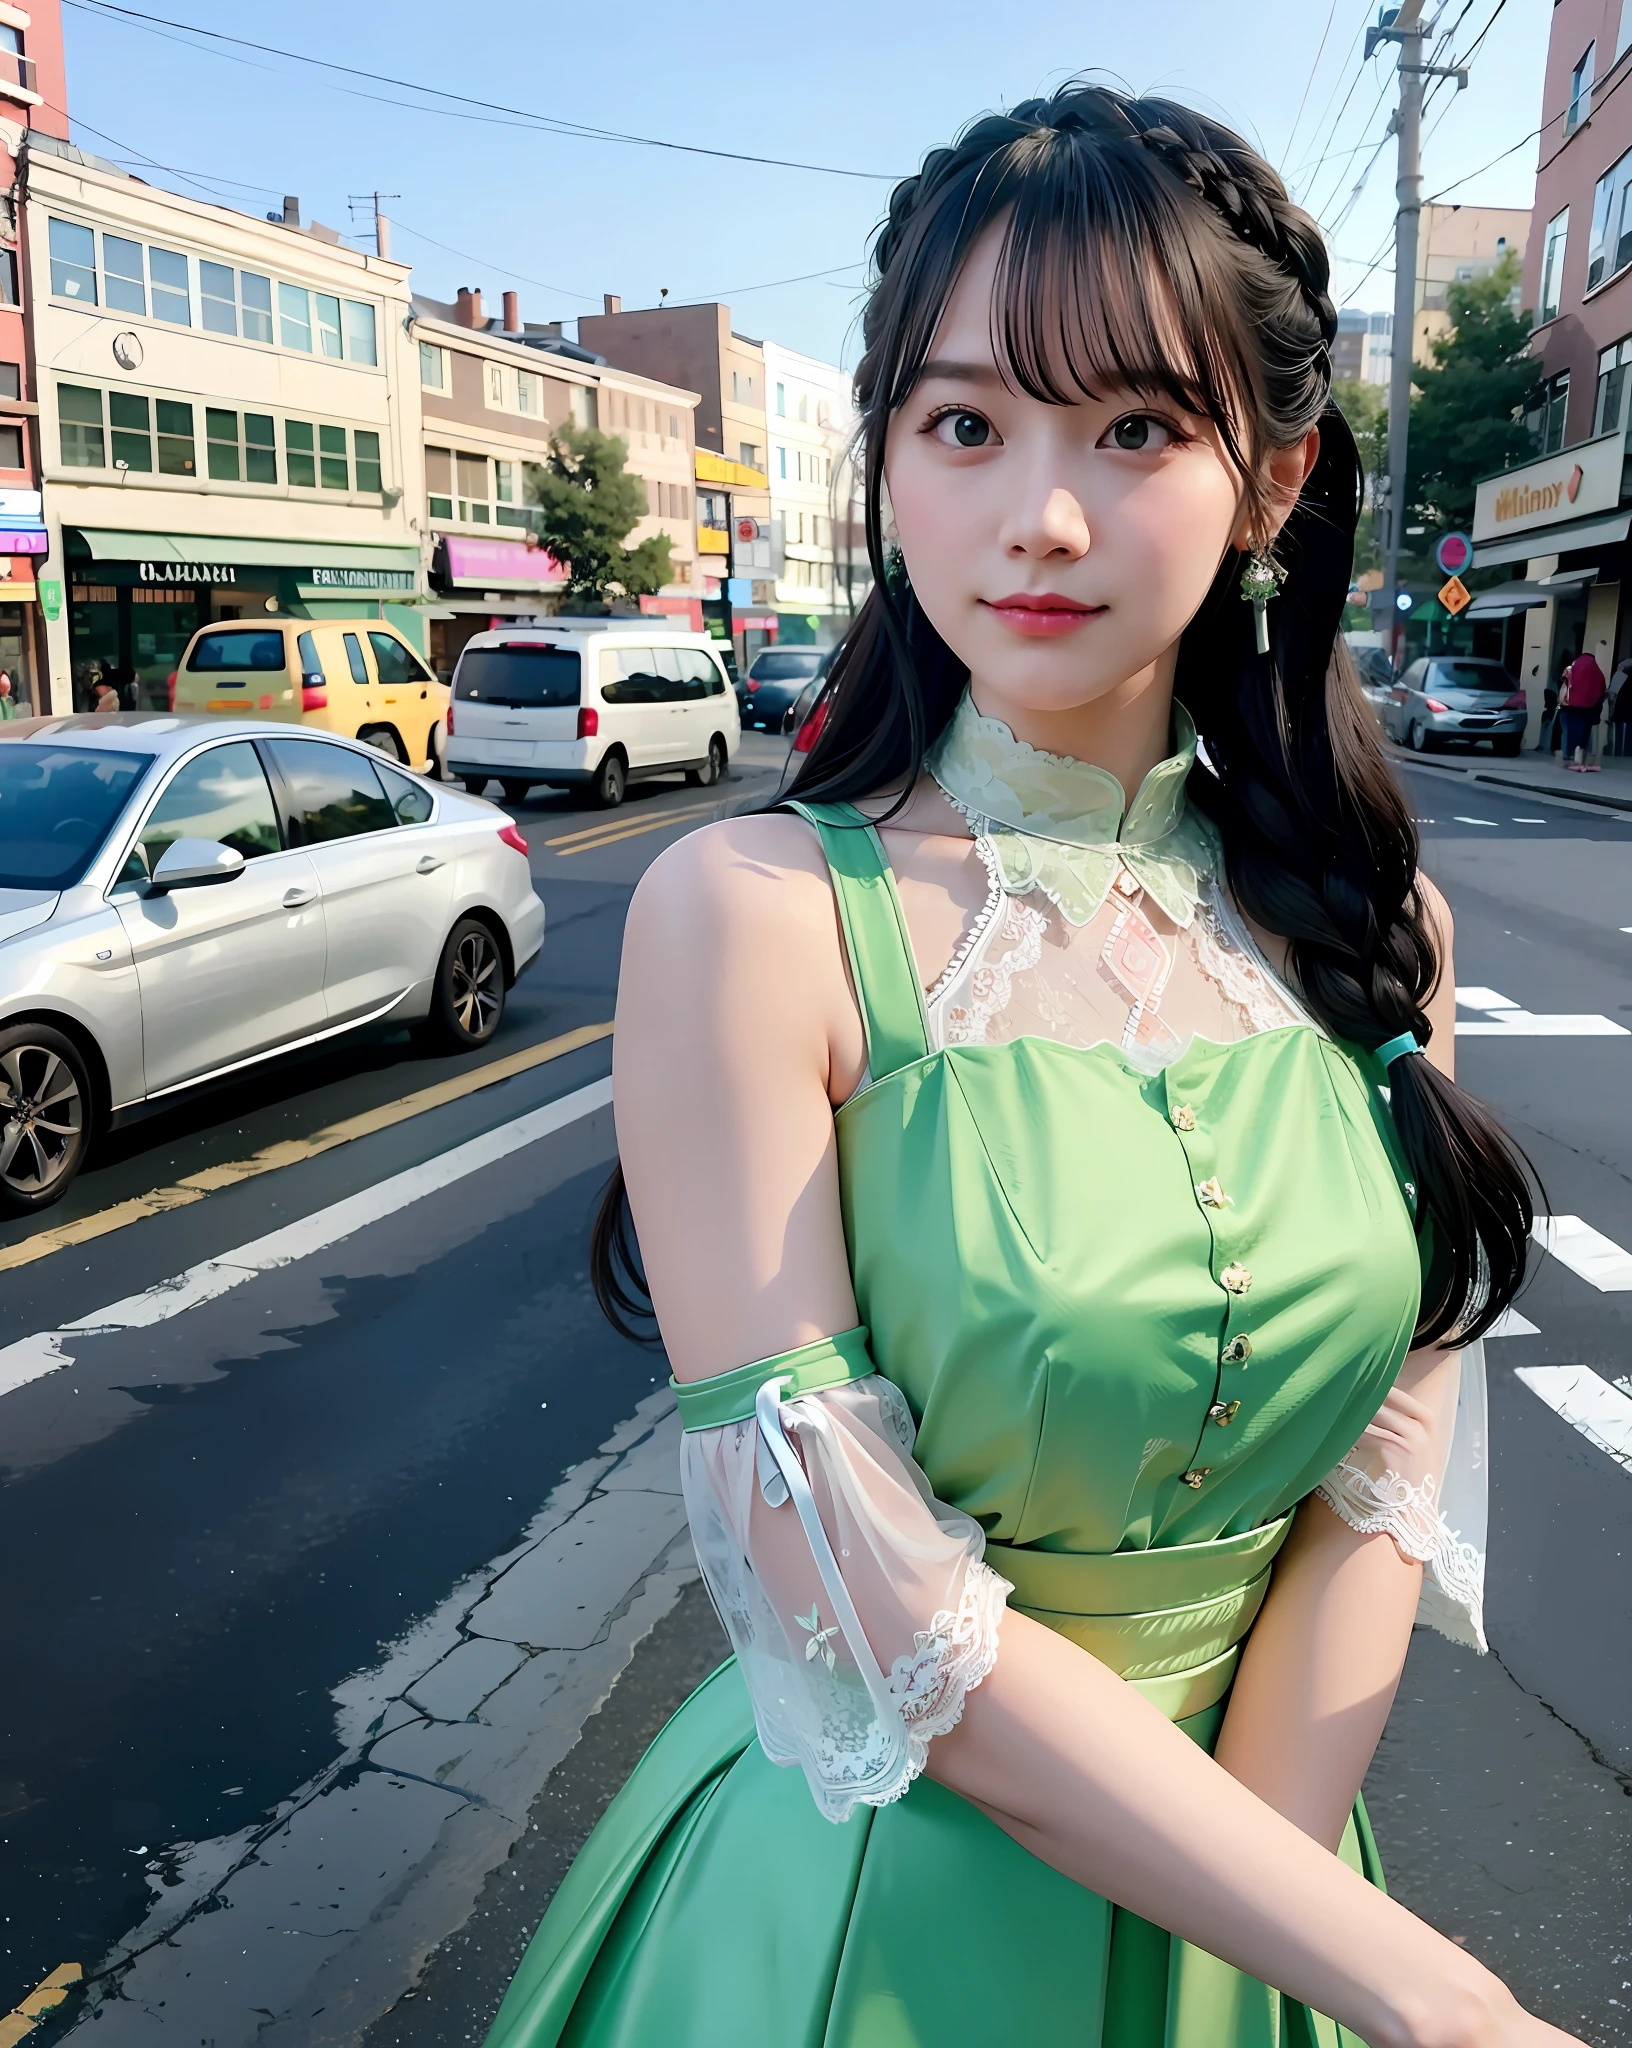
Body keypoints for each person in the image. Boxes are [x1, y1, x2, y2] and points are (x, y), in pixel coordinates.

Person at [489, 86, 1574, 2048]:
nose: (1040, 515)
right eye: (967, 423)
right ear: (889, 465)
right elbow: (857, 1589)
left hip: (1281, 1903)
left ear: (1272, 478)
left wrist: (1259, 1957)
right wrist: (1422, 1989)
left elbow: (1371, 1504)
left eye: (1138, 426)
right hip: (871, 1928)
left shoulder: (1373, 931)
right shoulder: (751, 916)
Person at [1560, 648, 1606, 772]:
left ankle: (1569, 759)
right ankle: (1583, 760)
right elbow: (1602, 690)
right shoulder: (1597, 672)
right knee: (1584, 734)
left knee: (1570, 732)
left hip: (1571, 707)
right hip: (1589, 710)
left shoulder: (1571, 669)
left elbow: (1564, 684)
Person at [1608, 656, 1632, 757]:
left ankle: (1619, 753)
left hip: (1621, 710)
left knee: (1619, 734)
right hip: (1627, 711)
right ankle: (1627, 753)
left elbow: (1613, 692)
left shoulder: (1620, 676)